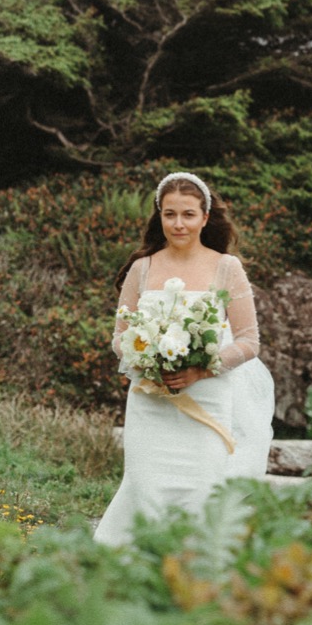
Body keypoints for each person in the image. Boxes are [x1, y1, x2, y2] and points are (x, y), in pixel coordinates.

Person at [93, 172, 275, 546]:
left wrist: (200, 369)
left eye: (188, 215)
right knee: (145, 487)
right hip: (151, 401)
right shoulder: (142, 268)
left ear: (205, 217)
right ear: (159, 215)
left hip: (207, 400)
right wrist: (148, 363)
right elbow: (119, 337)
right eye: (170, 214)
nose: (179, 224)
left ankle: (191, 583)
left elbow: (248, 341)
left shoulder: (227, 267)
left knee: (200, 492)